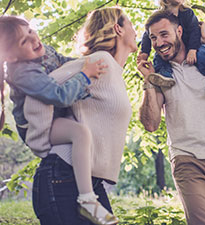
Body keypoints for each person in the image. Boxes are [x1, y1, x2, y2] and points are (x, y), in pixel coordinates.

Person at [22, 7, 137, 225]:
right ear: (117, 28)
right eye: (130, 24)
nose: (135, 30)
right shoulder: (100, 62)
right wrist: (41, 136)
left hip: (88, 183)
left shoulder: (113, 71)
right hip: (62, 176)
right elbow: (39, 93)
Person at [0, 16, 118, 225]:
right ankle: (87, 201)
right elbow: (59, 95)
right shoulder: (23, 74)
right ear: (10, 56)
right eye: (24, 41)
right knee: (80, 133)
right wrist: (85, 76)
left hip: (55, 117)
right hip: (38, 127)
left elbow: (65, 63)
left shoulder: (45, 50)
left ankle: (90, 197)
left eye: (30, 31)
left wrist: (89, 63)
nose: (34, 39)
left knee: (83, 131)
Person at [137, 10, 205, 225]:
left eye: (164, 34)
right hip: (188, 160)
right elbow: (150, 124)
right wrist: (148, 81)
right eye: (153, 38)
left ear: (179, 31)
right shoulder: (160, 76)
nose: (159, 42)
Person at [138, 0, 205, 94]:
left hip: (191, 44)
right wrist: (144, 52)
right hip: (171, 48)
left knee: (203, 53)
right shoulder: (160, 17)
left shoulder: (187, 13)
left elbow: (194, 30)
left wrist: (192, 49)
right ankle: (165, 75)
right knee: (158, 57)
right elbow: (148, 35)